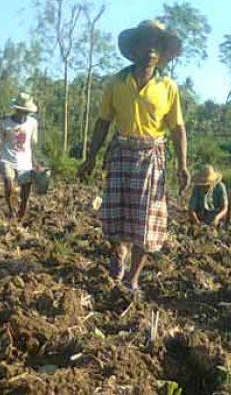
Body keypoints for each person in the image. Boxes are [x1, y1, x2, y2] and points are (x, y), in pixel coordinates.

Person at [79, 20, 189, 293]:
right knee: (113, 212)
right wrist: (90, 158)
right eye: (146, 44)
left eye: (157, 46)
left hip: (152, 155)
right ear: (135, 49)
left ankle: (133, 279)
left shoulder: (168, 87)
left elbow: (177, 128)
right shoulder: (116, 82)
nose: (152, 50)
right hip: (121, 152)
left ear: (162, 53)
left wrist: (183, 165)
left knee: (147, 220)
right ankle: (118, 252)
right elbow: (103, 122)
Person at [0, 92, 40, 221]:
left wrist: (36, 163)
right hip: (7, 159)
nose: (24, 114)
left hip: (25, 162)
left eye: (26, 112)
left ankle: (20, 218)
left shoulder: (33, 123)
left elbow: (32, 146)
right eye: (22, 111)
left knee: (25, 195)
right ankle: (12, 213)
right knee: (9, 185)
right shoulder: (4, 122)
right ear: (17, 109)